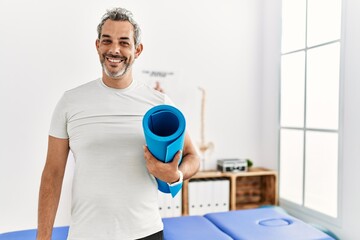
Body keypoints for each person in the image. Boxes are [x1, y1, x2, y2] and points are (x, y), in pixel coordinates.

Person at [37, 7, 200, 240]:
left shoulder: (159, 103)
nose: (114, 49)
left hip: (146, 233)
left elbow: (193, 157)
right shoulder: (70, 102)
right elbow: (52, 174)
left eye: (124, 42)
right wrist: (43, 237)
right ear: (97, 46)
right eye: (107, 41)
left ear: (138, 50)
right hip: (86, 234)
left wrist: (176, 175)